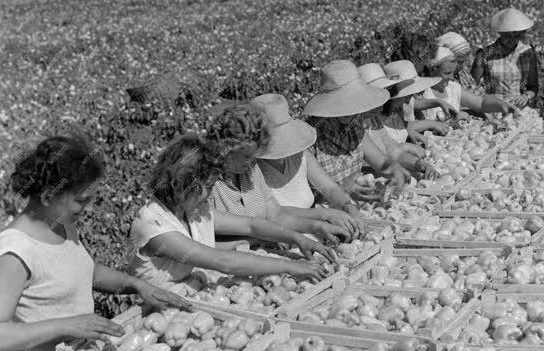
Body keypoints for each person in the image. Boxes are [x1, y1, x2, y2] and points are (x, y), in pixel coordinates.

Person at [0, 136, 192, 351]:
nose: (89, 207)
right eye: (81, 199)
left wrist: (134, 284)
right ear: (47, 196)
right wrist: (68, 325)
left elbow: (84, 272)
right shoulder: (16, 252)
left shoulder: (60, 224)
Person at [128, 134, 332, 297]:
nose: (208, 193)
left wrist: (297, 238)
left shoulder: (194, 211)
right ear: (184, 183)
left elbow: (251, 225)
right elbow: (222, 262)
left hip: (195, 298)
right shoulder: (153, 225)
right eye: (207, 186)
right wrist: (290, 266)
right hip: (158, 313)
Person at [206, 104, 354, 242]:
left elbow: (276, 214)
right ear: (228, 149)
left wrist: (317, 226)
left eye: (255, 155)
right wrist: (292, 236)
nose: (253, 161)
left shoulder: (251, 171)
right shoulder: (207, 181)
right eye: (246, 156)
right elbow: (212, 237)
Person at [252, 94, 366, 236]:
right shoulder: (253, 168)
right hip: (280, 238)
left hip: (314, 232)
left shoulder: (300, 155)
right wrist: (324, 214)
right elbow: (274, 211)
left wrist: (348, 205)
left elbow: (329, 188)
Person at [302, 59, 411, 200]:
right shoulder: (310, 137)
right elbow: (315, 195)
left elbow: (382, 161)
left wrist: (394, 168)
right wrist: (344, 190)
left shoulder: (355, 127)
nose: (354, 111)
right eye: (346, 104)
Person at [358, 61, 442, 180]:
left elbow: (392, 149)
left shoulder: (374, 120)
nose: (383, 102)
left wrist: (418, 164)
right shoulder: (356, 127)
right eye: (378, 97)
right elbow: (379, 160)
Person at [424, 46, 517, 121]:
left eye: (452, 72)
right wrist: (453, 120)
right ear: (432, 70)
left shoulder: (453, 88)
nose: (451, 77)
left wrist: (501, 105)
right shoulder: (424, 92)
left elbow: (480, 103)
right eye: (447, 73)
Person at [471, 7, 539, 108]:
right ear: (500, 33)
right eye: (508, 35)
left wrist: (525, 97)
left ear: (522, 34)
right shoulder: (485, 54)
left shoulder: (528, 53)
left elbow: (533, 87)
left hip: (517, 108)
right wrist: (486, 99)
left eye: (516, 35)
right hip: (492, 108)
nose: (512, 39)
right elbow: (472, 86)